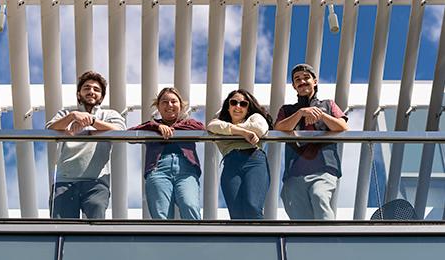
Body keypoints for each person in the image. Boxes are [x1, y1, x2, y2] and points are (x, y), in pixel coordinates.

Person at [46, 70, 126, 219]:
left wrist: (92, 121)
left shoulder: (110, 115)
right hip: (65, 180)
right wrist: (72, 116)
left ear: (101, 97)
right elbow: (50, 130)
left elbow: (121, 131)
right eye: (87, 88)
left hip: (96, 181)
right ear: (79, 94)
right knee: (62, 228)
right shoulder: (66, 113)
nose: (91, 91)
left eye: (96, 89)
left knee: (95, 227)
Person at [275, 63, 348, 220]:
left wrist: (321, 115)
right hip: (295, 172)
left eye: (306, 77)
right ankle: (305, 244)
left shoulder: (328, 105)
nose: (302, 81)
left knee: (319, 196)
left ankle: (329, 240)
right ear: (294, 86)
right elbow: (279, 128)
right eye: (297, 79)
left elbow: (342, 126)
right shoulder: (287, 110)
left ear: (315, 81)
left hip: (323, 168)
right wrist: (301, 113)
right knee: (297, 213)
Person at [131, 87, 204, 220]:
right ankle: (162, 241)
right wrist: (156, 127)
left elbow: (200, 128)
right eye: (164, 102)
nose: (169, 105)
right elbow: (131, 133)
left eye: (173, 102)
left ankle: (195, 240)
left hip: (186, 170)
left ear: (180, 106)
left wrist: (171, 129)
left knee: (190, 205)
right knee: (161, 214)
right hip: (158, 169)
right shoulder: (151, 126)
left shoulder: (189, 123)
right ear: (158, 107)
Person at [207, 89, 273, 219]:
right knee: (236, 212)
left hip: (254, 160)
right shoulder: (219, 121)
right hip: (231, 164)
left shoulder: (255, 117)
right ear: (228, 107)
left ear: (248, 109)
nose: (238, 106)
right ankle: (242, 240)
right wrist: (244, 133)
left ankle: (261, 238)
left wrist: (228, 130)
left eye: (243, 104)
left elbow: (259, 128)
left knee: (252, 206)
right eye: (233, 102)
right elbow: (211, 126)